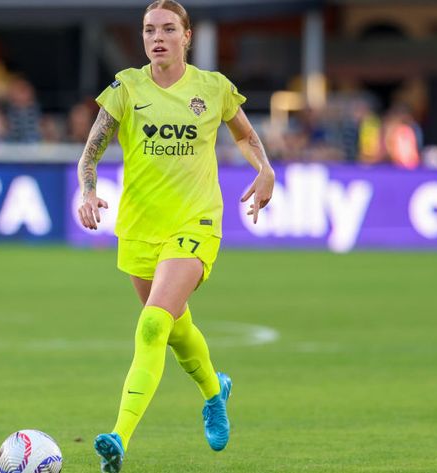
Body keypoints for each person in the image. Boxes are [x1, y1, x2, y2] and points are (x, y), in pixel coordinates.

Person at [75, 2, 275, 471]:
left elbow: (245, 136)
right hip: (140, 229)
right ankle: (214, 390)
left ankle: (118, 438)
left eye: (167, 29)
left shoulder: (214, 89)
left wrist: (265, 169)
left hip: (195, 225)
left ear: (187, 36)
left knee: (150, 325)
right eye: (149, 30)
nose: (157, 37)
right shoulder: (126, 87)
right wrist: (87, 191)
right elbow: (90, 154)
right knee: (174, 326)